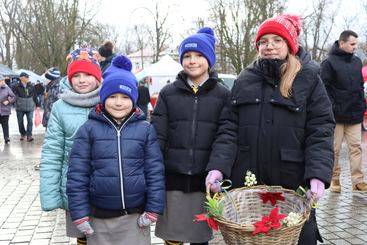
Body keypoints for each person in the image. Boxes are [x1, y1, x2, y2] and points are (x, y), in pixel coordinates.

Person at [226, 15, 335, 245]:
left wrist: (318, 173)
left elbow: (321, 129)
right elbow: (228, 128)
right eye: (264, 41)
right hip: (248, 185)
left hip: (292, 182)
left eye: (277, 39)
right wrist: (218, 168)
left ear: (290, 45)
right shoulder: (245, 79)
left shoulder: (309, 79)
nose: (270, 46)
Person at [66, 55, 165, 245]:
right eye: (112, 96)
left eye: (125, 97)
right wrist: (79, 213)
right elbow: (77, 174)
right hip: (99, 217)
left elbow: (155, 172)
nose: (118, 103)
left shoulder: (145, 129)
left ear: (134, 100)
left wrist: (153, 209)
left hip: (135, 217)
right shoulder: (88, 130)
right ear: (103, 98)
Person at [152, 27, 234, 245]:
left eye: (199, 55)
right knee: (173, 234)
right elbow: (157, 135)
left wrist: (217, 168)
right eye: (187, 56)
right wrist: (153, 167)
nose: (192, 61)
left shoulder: (223, 94)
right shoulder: (168, 94)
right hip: (172, 178)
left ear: (209, 59)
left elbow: (226, 136)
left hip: (204, 180)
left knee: (199, 236)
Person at [39, 48, 102, 245]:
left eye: (88, 75)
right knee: (81, 233)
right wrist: (50, 194)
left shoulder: (111, 101)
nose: (82, 80)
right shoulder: (60, 107)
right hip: (74, 186)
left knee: (104, 234)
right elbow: (53, 151)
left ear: (98, 77)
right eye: (76, 75)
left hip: (107, 183)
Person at [321, 30, 367, 192]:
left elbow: (360, 87)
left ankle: (357, 181)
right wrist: (332, 108)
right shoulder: (328, 63)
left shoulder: (356, 62)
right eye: (352, 44)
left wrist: (362, 105)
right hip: (336, 116)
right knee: (335, 149)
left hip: (354, 114)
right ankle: (334, 180)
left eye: (356, 44)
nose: (356, 47)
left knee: (356, 147)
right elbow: (323, 89)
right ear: (342, 43)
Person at [12, 72, 41, 142]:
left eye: (28, 77)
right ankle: (23, 134)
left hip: (30, 107)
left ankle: (29, 135)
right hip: (20, 107)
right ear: (21, 78)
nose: (28, 78)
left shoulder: (31, 86)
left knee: (30, 121)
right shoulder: (16, 86)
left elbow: (34, 96)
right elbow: (12, 95)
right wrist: (14, 102)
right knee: (20, 122)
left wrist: (37, 105)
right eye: (26, 77)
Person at [0, 74, 16, 144]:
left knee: (5, 124)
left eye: (3, 80)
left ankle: (6, 138)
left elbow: (14, 97)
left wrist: (8, 101)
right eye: (1, 80)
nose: (3, 82)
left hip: (5, 110)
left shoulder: (7, 88)